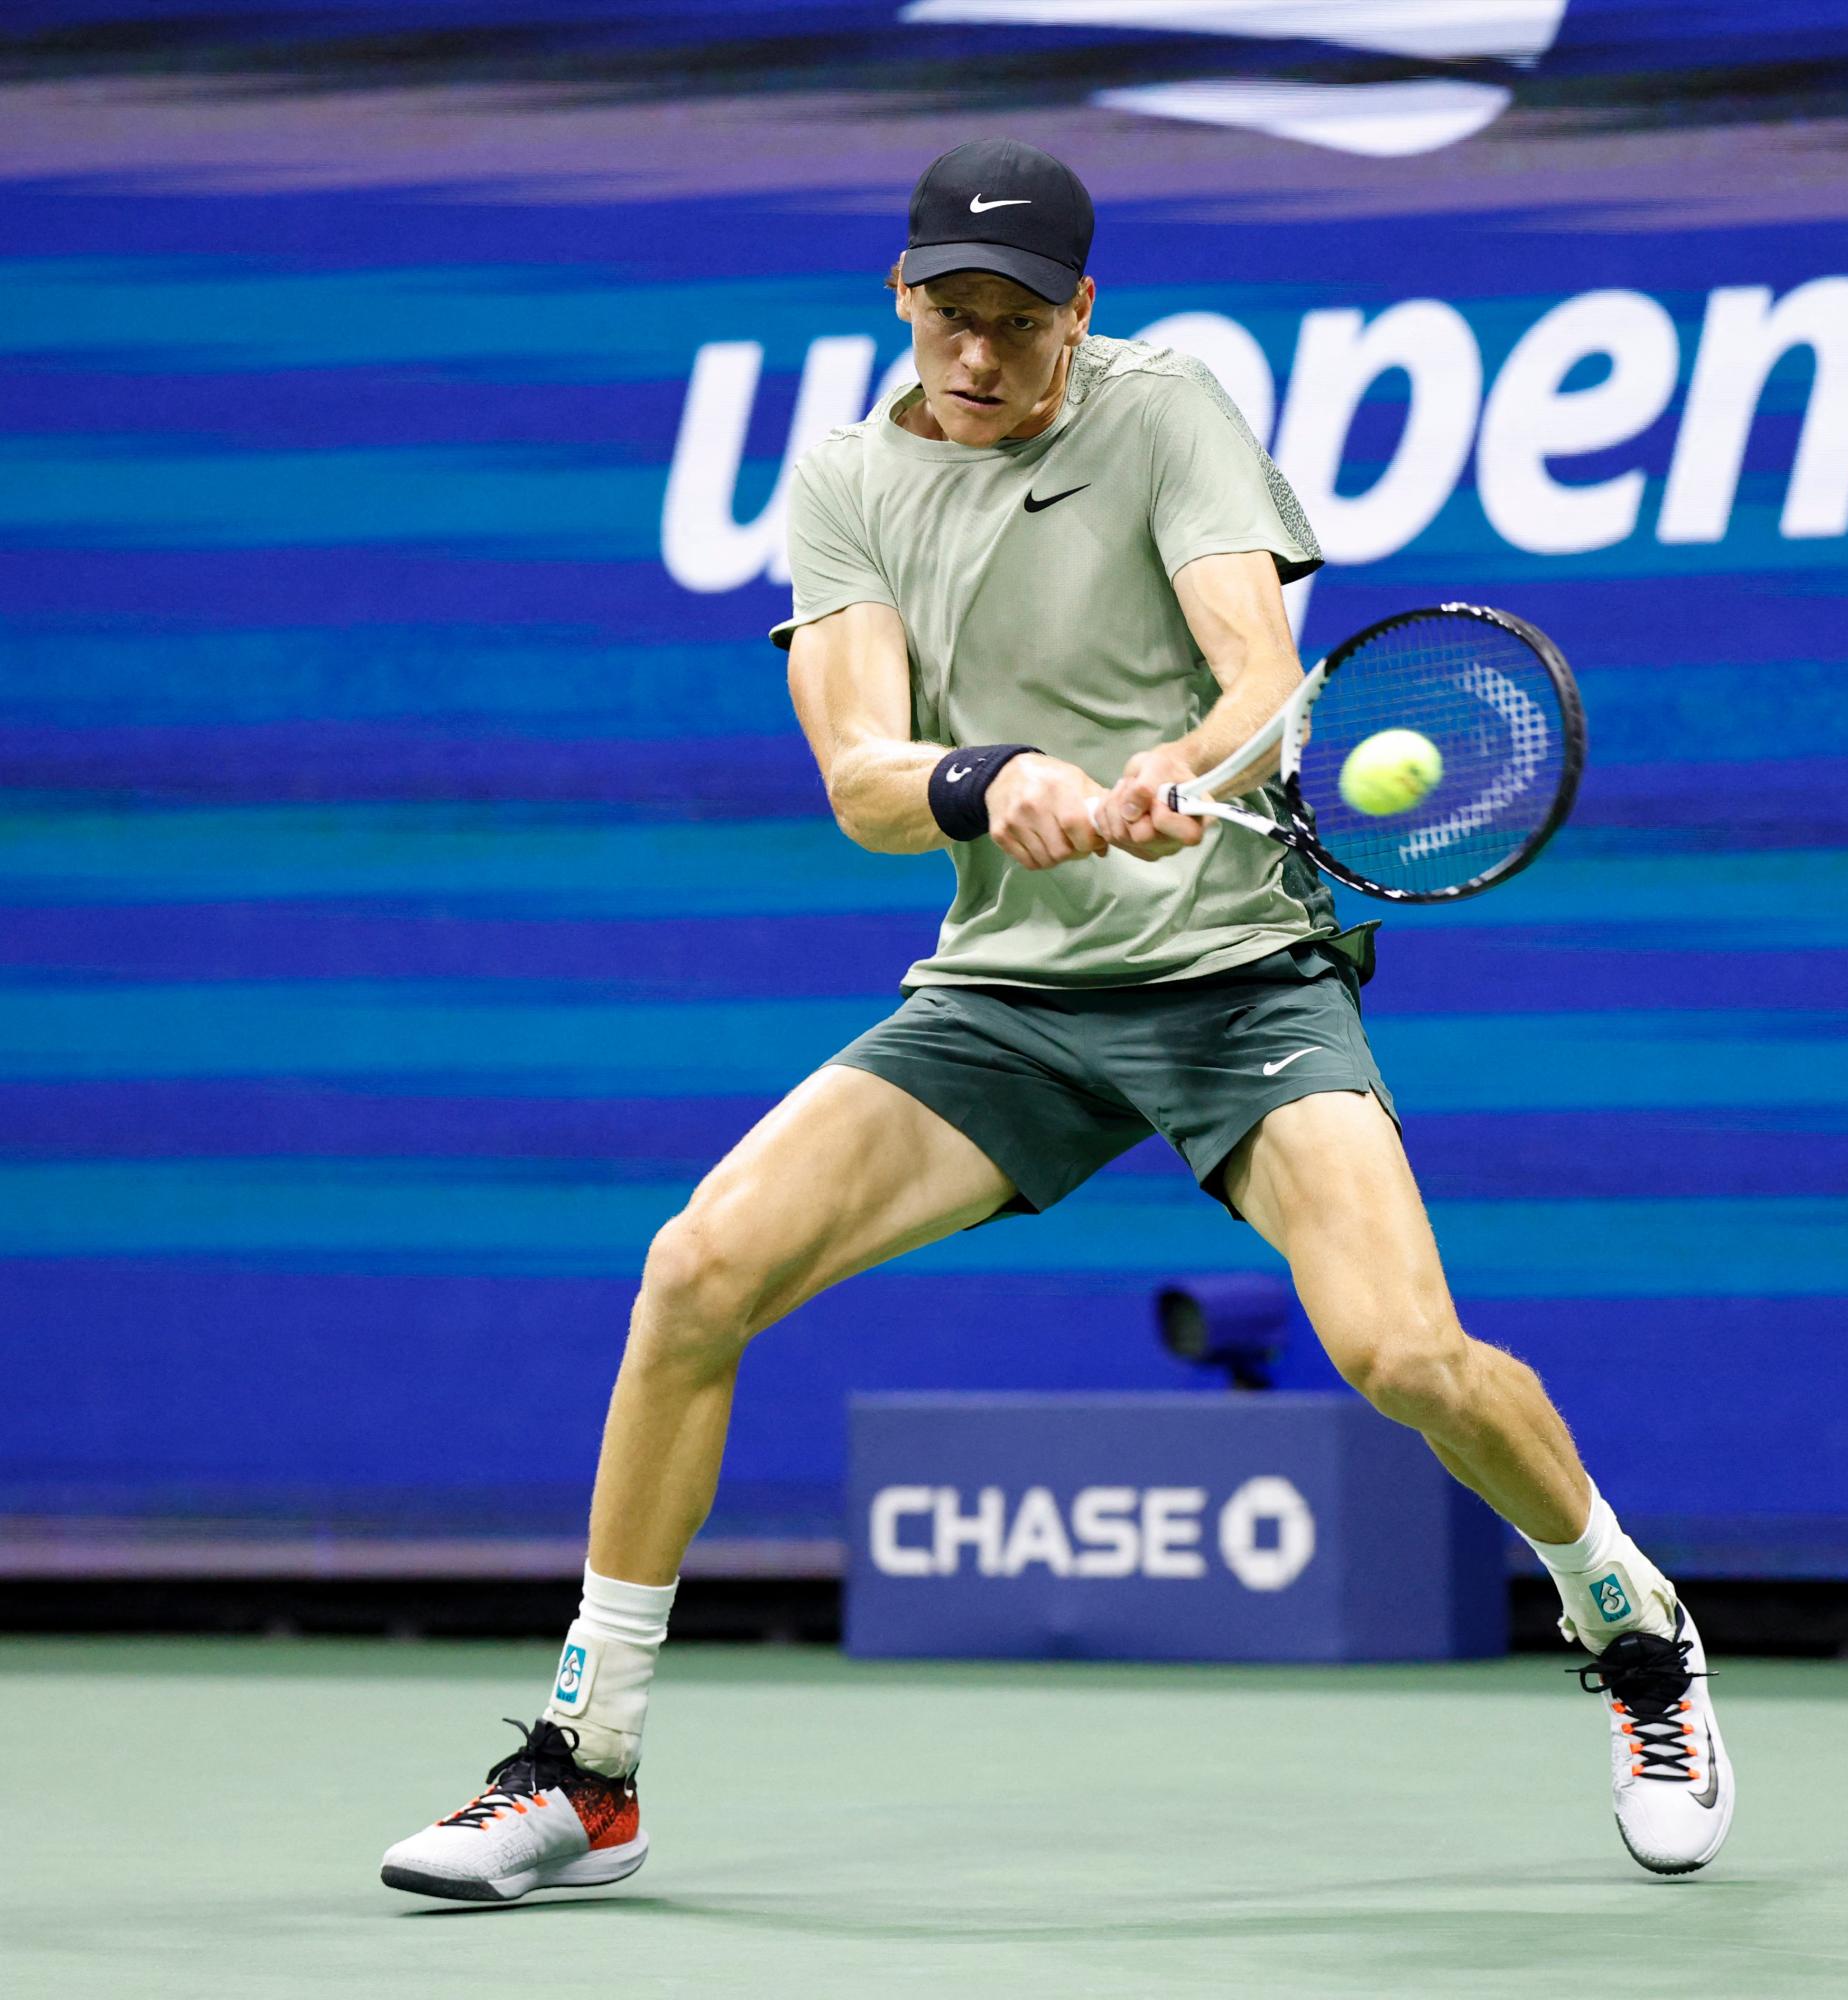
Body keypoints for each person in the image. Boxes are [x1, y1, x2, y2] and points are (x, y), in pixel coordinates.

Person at [381, 136, 1734, 1902]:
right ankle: (589, 1767)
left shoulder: (1171, 410)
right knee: (697, 1270)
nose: (979, 355)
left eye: (1019, 322)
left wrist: (1179, 765)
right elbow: (862, 778)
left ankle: (1631, 1625)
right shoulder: (849, 478)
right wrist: (984, 776)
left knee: (1405, 1356)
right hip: (1011, 998)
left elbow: (1261, 674)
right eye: (950, 314)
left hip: (1238, 976)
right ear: (901, 299)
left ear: (1083, 313)